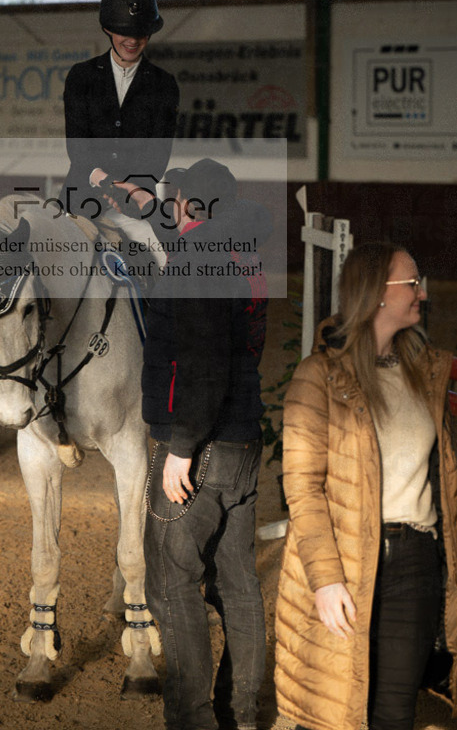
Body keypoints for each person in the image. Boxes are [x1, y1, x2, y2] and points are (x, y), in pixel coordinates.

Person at [274, 241, 457, 730]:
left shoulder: (433, 372)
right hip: (348, 563)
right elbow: (303, 488)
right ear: (376, 294)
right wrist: (326, 578)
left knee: (394, 713)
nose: (423, 292)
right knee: (338, 714)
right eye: (411, 282)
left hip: (415, 561)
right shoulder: (319, 377)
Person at [142, 158, 273, 730]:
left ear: (188, 206)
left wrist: (180, 448)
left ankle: (192, 719)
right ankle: (245, 715)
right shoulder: (246, 256)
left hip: (201, 444)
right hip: (245, 440)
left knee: (172, 581)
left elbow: (201, 365)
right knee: (240, 584)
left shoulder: (194, 260)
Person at [62, 0, 179, 257]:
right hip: (81, 197)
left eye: (141, 32)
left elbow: (158, 155)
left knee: (163, 262)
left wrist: (131, 190)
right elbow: (77, 146)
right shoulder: (81, 76)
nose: (133, 40)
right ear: (107, 28)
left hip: (134, 203)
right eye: (125, 32)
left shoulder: (165, 84)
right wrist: (104, 181)